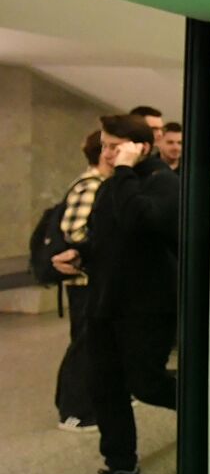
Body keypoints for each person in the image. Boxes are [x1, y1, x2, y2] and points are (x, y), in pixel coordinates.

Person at [61, 114, 180, 474]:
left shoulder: (164, 182)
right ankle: (120, 467)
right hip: (105, 305)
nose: (106, 153)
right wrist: (80, 255)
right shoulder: (112, 187)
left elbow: (144, 222)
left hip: (147, 308)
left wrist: (126, 171)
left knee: (146, 384)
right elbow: (104, 240)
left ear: (140, 146)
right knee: (105, 387)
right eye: (105, 146)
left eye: (114, 146)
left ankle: (208, 405)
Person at [53, 130, 112, 432]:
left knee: (92, 343)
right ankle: (72, 411)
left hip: (92, 279)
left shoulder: (101, 184)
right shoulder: (90, 186)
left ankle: (83, 403)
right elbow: (75, 231)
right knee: (83, 344)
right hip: (84, 280)